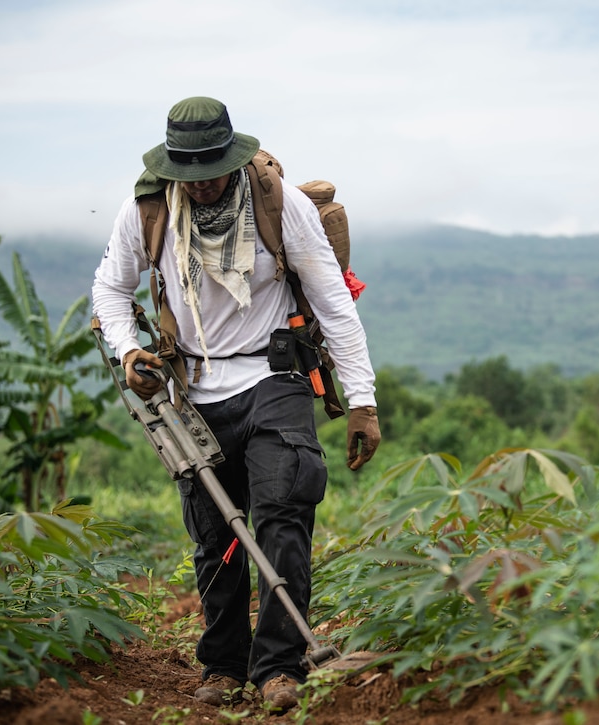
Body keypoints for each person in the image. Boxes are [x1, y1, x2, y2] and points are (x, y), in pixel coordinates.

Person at [91, 96, 381, 711]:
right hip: (193, 391)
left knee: (283, 514)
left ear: (233, 160)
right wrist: (127, 352)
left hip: (274, 378)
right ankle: (222, 665)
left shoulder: (281, 204)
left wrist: (363, 401)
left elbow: (332, 298)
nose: (201, 188)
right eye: (188, 177)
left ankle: (280, 667)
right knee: (215, 535)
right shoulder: (146, 211)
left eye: (212, 174)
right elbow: (110, 291)